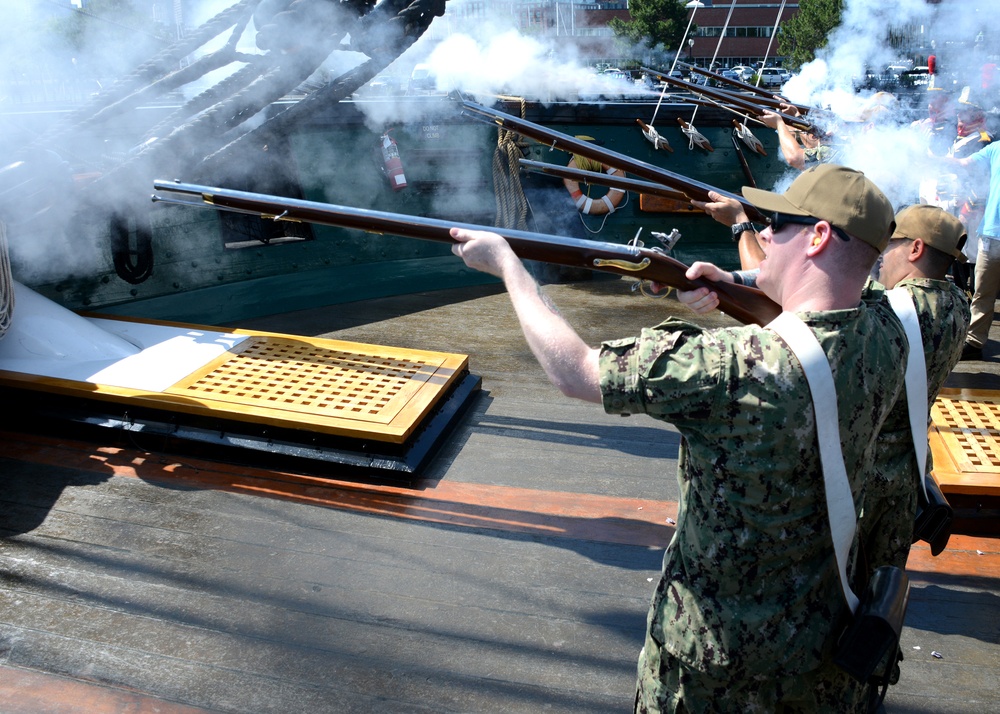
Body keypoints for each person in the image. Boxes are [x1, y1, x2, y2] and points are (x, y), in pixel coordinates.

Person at [448, 164, 906, 712]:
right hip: (824, 654)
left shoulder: (730, 366)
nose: (761, 235)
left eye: (775, 225)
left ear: (819, 235)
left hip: (714, 672)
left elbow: (575, 372)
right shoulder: (888, 332)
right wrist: (735, 284)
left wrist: (509, 267)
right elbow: (840, 296)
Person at [946, 138, 1000, 360]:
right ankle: (974, 342)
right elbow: (964, 164)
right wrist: (934, 160)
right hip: (991, 234)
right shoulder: (996, 148)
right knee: (982, 291)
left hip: (991, 234)